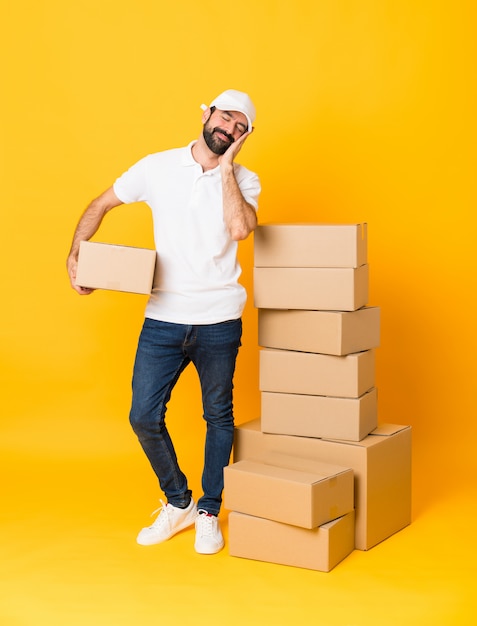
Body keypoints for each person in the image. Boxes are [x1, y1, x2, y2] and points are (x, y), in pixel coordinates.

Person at [66, 89, 260, 555]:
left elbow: (240, 228)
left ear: (244, 138)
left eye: (240, 128)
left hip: (219, 320)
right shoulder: (156, 167)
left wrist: (227, 169)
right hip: (163, 319)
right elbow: (101, 203)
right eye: (225, 118)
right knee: (143, 416)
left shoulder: (245, 179)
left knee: (218, 417)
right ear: (206, 113)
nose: (228, 130)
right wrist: (77, 253)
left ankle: (209, 511)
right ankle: (179, 503)